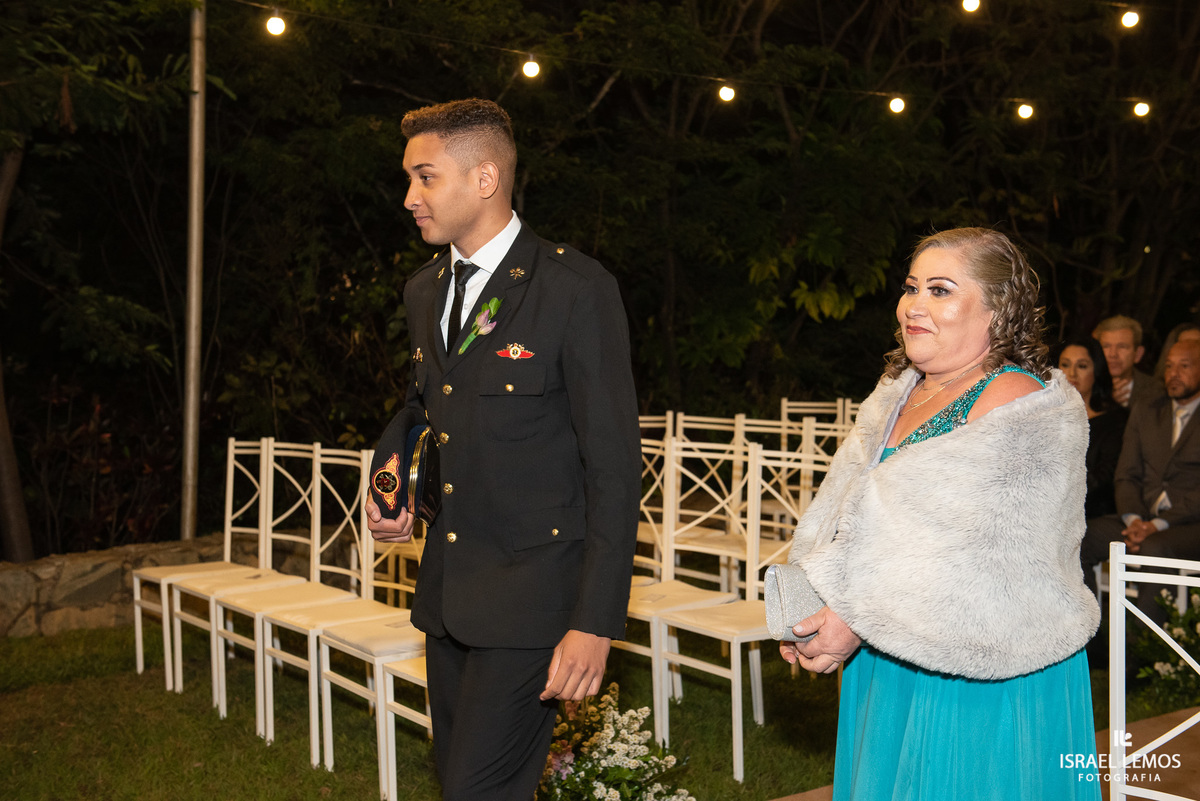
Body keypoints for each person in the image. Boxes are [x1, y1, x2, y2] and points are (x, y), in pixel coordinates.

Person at [365, 98, 640, 800]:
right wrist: (392, 470)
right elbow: (429, 405)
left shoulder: (575, 290)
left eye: (425, 177)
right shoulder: (424, 292)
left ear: (484, 178)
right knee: (466, 780)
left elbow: (613, 470)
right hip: (451, 596)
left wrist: (593, 621)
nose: (409, 198)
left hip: (535, 602)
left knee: (476, 792)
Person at [781, 227, 1100, 800]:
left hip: (980, 669)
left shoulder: (1017, 402)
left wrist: (850, 619)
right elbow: (856, 514)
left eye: (941, 290)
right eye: (911, 287)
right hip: (891, 649)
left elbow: (976, 557)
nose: (915, 305)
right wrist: (819, 603)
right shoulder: (898, 391)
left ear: (997, 310)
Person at [1080, 338, 1200, 624]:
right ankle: (1093, 639)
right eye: (1169, 366)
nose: (1174, 373)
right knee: (1083, 536)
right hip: (1140, 518)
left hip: (1189, 524)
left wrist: (1156, 526)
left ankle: (1141, 655)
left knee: (1155, 548)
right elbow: (1126, 474)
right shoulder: (1148, 410)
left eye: (1184, 366)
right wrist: (1134, 520)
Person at [1056, 337, 1129, 517]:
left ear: (1096, 371)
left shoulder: (1115, 421)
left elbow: (1105, 476)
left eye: (1082, 366)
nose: (1071, 374)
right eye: (1065, 365)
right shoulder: (1043, 415)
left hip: (1092, 511)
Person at [1094, 314, 1165, 409]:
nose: (1113, 354)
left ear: (1138, 354)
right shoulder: (1084, 385)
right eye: (1106, 346)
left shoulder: (1156, 390)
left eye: (1122, 346)